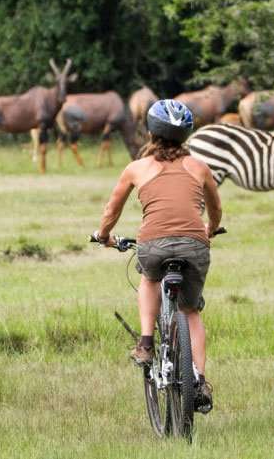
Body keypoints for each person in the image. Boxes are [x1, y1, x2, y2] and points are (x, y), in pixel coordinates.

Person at [93, 99, 223, 413]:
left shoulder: (136, 168)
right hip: (194, 244)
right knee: (191, 312)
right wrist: (211, 229)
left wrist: (104, 235)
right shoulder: (199, 166)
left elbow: (112, 210)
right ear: (186, 134)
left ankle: (147, 342)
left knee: (149, 278)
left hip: (154, 244)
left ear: (151, 131)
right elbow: (216, 208)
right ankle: (200, 380)